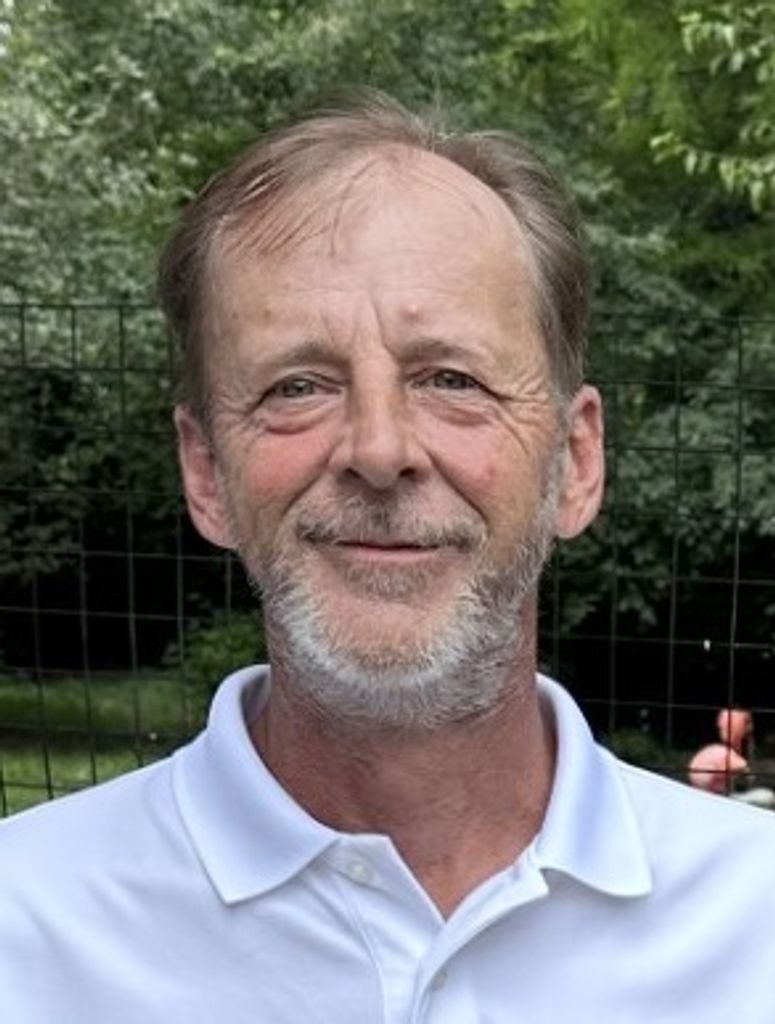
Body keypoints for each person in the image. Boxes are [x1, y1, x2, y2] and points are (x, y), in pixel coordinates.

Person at [2, 90, 775, 1024]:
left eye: (452, 379)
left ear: (575, 462)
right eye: (298, 387)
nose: (378, 449)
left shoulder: (755, 923)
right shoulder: (25, 930)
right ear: (205, 473)